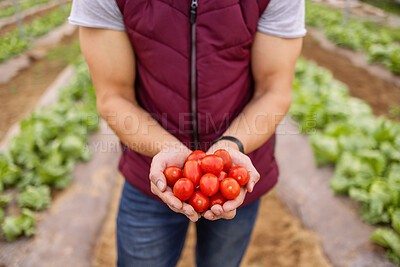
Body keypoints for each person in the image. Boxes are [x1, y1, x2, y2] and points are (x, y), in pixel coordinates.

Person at [69, 0, 305, 266]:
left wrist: (231, 145)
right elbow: (114, 96)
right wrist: (165, 149)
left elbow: (273, 90)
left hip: (234, 177)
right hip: (151, 173)